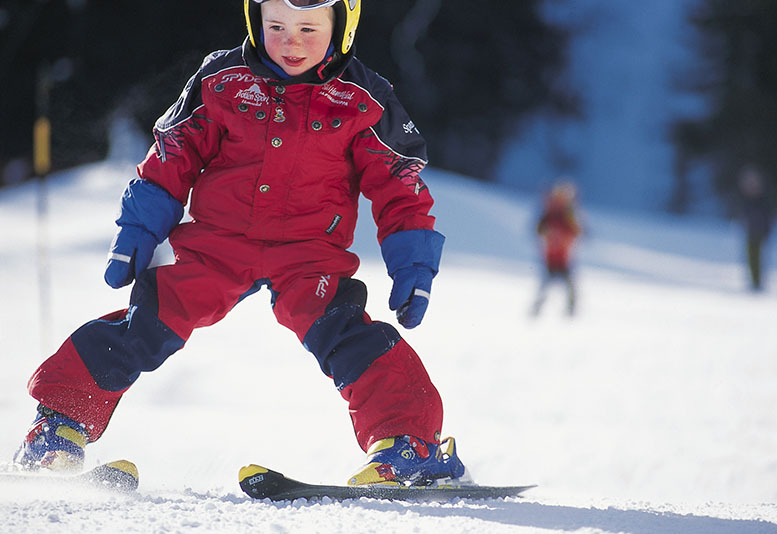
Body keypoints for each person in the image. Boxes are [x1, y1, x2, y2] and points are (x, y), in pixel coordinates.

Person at [15, 0, 466, 487]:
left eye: (308, 28)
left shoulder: (364, 100)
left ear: (343, 26)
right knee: (147, 321)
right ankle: (59, 427)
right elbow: (173, 153)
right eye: (276, 26)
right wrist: (138, 230)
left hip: (308, 254)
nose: (291, 42)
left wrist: (413, 263)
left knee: (348, 336)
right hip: (218, 246)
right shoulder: (223, 80)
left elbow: (399, 184)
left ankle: (410, 443)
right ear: (255, 20)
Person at [531, 181, 582, 316]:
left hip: (563, 258)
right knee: (546, 287)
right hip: (553, 257)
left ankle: (570, 311)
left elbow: (577, 231)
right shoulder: (550, 214)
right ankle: (537, 310)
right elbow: (538, 230)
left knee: (566, 287)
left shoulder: (567, 215)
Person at [737, 165, 774, 291]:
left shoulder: (763, 201)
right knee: (750, 257)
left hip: (760, 233)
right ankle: (754, 281)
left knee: (758, 257)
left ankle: (758, 282)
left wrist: (768, 230)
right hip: (750, 232)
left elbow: (768, 218)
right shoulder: (748, 200)